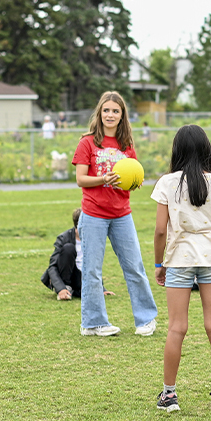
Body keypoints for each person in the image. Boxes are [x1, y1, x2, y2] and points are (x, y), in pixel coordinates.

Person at [152, 125, 211, 412]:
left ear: (177, 150)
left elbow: (161, 231)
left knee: (177, 328)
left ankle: (169, 395)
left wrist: (159, 264)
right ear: (206, 149)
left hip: (178, 259)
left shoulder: (166, 183)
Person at [72, 91, 158, 337]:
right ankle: (93, 323)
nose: (110, 115)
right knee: (91, 270)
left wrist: (134, 182)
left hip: (122, 215)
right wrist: (103, 178)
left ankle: (146, 319)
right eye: (106, 110)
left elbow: (130, 174)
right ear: (100, 113)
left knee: (135, 267)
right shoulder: (87, 142)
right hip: (94, 214)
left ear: (122, 116)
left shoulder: (127, 145)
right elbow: (80, 179)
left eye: (115, 111)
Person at [41, 208, 115, 300]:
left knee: (88, 291)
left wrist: (101, 288)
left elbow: (94, 265)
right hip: (66, 276)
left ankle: (77, 291)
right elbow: (52, 267)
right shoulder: (64, 238)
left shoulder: (92, 239)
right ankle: (66, 288)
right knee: (69, 248)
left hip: (80, 276)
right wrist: (61, 288)